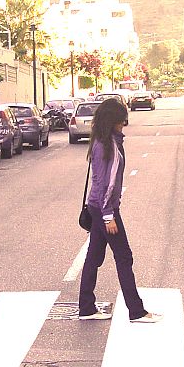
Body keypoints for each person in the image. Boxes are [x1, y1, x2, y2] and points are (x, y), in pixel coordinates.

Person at [78, 98, 161, 323]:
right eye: (122, 120)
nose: (124, 124)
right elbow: (107, 183)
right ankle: (136, 311)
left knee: (94, 257)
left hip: (96, 206)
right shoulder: (110, 146)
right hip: (105, 210)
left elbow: (99, 180)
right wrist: (108, 216)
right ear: (113, 120)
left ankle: (86, 307)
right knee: (124, 257)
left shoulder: (100, 141)